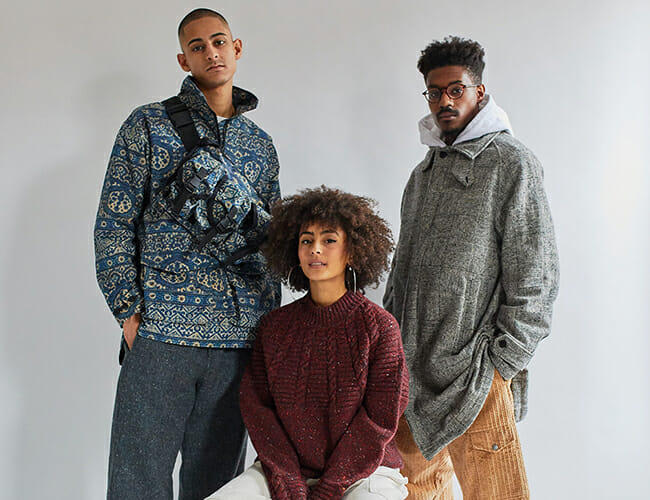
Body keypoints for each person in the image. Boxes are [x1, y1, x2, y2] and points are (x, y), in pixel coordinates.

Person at [94, 8, 280, 499]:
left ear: (236, 48)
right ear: (184, 60)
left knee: (218, 487)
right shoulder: (148, 125)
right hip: (160, 331)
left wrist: (265, 326)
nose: (210, 53)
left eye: (218, 42)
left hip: (236, 340)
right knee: (137, 481)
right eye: (197, 47)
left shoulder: (260, 146)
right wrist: (129, 312)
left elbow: (272, 245)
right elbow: (114, 223)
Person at [383, 36, 559, 499]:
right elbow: (401, 272)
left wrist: (503, 363)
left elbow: (537, 273)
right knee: (415, 493)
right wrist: (391, 347)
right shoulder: (422, 175)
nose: (445, 101)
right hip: (412, 378)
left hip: (477, 374)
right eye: (434, 92)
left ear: (479, 92)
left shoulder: (511, 163)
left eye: (456, 89)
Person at [207, 186, 410, 500]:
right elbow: (259, 412)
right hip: (286, 472)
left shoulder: (380, 327)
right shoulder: (274, 327)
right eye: (306, 240)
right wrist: (288, 481)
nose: (315, 249)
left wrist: (330, 487)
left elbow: (379, 421)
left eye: (329, 240)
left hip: (366, 472)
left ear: (352, 251)